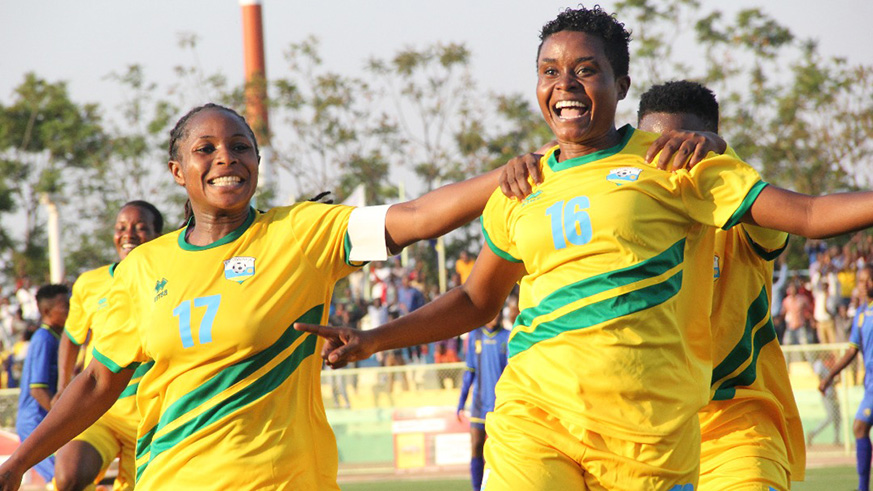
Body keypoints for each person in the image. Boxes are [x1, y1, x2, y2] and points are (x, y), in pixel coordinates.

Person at [297, 6, 873, 489]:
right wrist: (376, 338)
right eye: (549, 71)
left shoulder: (673, 163)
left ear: (621, 85)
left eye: (585, 70)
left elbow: (810, 213)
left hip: (649, 432)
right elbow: (477, 300)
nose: (565, 85)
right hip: (536, 414)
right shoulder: (523, 184)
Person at [1, 102, 698, 490]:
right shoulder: (139, 270)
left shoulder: (303, 233)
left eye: (240, 146)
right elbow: (95, 380)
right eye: (206, 149)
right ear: (176, 169)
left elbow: (418, 217)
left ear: (258, 162)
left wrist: (526, 170)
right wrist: (19, 463)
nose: (225, 159)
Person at [635, 80, 805, 489]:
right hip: (647, 438)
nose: (668, 164)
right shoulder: (626, 221)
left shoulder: (743, 215)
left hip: (736, 432)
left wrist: (724, 154)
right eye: (654, 149)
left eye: (683, 150)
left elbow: (805, 216)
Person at [53, 201, 164, 491]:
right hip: (100, 410)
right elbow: (72, 337)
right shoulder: (90, 283)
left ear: (159, 234)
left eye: (141, 228)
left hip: (153, 421)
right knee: (68, 476)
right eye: (122, 228)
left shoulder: (172, 280)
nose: (129, 234)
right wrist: (63, 387)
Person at [819, 264, 873, 491]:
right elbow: (852, 350)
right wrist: (830, 375)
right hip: (870, 385)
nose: (862, 286)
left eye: (866, 281)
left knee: (859, 427)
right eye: (860, 281)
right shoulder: (861, 314)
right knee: (859, 428)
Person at [16, 284, 69, 483]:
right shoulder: (43, 338)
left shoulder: (58, 337)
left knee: (67, 475)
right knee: (63, 478)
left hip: (44, 420)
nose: (71, 310)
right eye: (65, 306)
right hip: (36, 422)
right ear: (46, 311)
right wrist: (61, 421)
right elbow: (37, 389)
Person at [457, 311, 509, 491]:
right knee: (476, 447)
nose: (496, 316)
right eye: (493, 312)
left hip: (500, 404)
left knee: (501, 453)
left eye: (499, 312)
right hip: (479, 403)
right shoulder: (475, 335)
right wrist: (461, 402)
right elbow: (469, 371)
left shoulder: (507, 337)